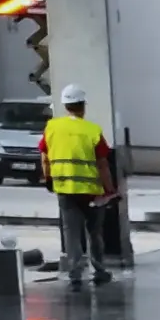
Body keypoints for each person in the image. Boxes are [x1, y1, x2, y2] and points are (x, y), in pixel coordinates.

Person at [43, 81, 119, 285]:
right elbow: (103, 164)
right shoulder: (92, 130)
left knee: (71, 231)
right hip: (92, 192)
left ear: (65, 106)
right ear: (83, 106)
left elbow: (45, 157)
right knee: (94, 232)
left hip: (65, 189)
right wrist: (109, 189)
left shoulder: (52, 127)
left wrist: (48, 178)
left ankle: (75, 271)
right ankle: (99, 269)